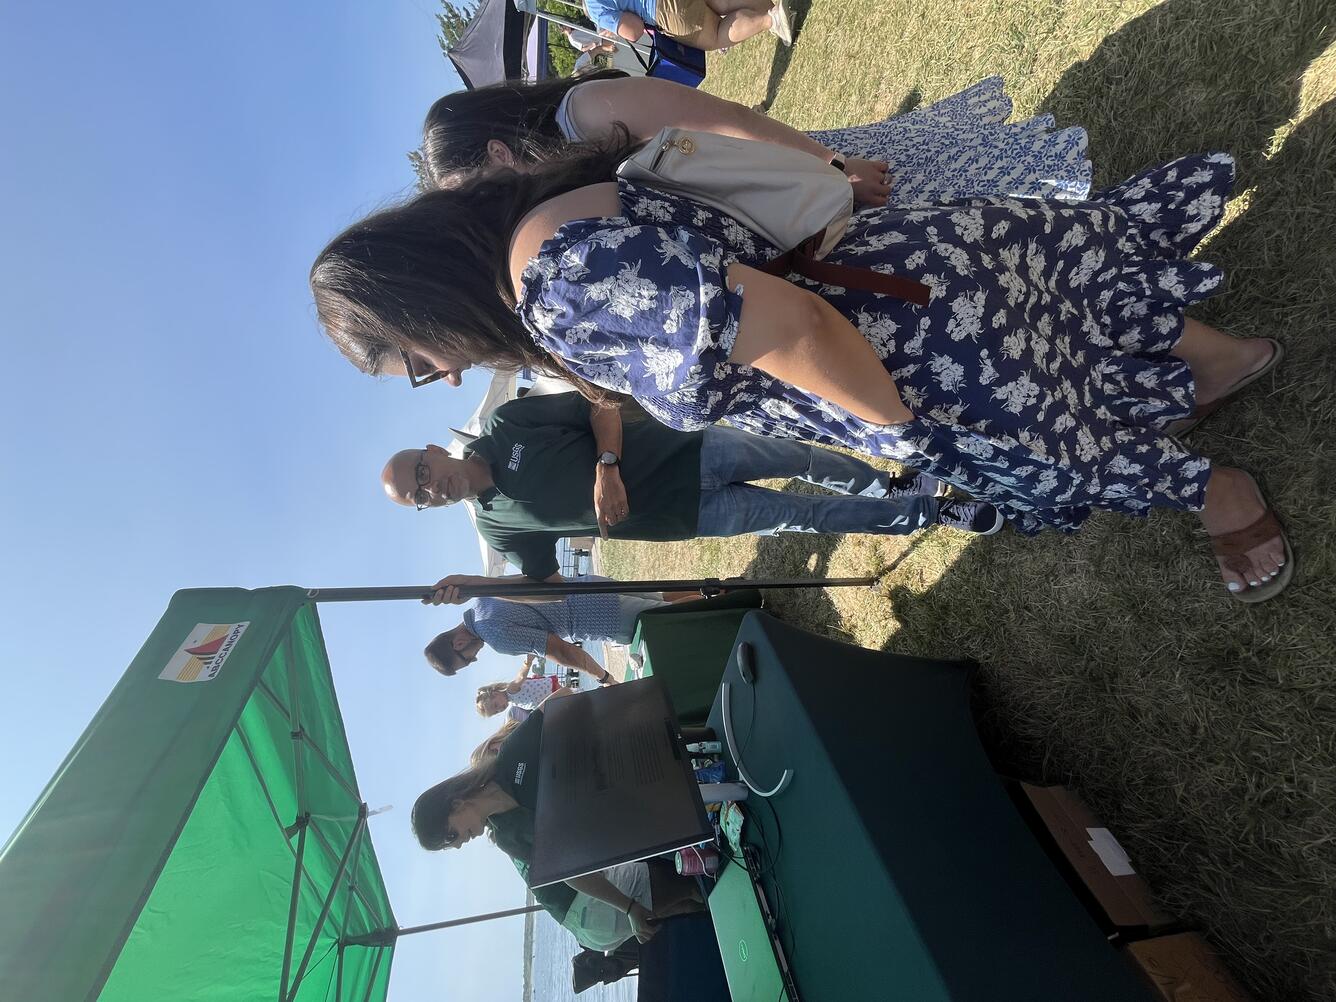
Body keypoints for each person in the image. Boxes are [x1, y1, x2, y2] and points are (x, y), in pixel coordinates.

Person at [311, 146, 1290, 603]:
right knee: (1073, 304)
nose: (439, 378)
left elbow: (791, 328)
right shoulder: (543, 221)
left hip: (899, 346)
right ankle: (1229, 364)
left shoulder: (557, 285)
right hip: (909, 275)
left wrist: (899, 427)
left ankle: (1215, 488)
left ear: (424, 309)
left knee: (1059, 446)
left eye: (413, 361)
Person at [377, 392, 1002, 589]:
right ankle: (933, 511)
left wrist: (608, 466)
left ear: (433, 453)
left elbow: (599, 406)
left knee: (804, 458)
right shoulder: (495, 527)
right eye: (421, 498)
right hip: (689, 514)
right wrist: (478, 584)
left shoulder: (506, 423)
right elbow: (546, 586)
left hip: (688, 448)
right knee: (805, 517)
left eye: (423, 475)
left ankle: (893, 483)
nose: (432, 489)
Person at [414, 707, 706, 948]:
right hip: (617, 855)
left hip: (635, 793)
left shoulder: (512, 757)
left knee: (693, 890)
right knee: (695, 884)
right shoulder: (506, 837)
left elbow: (565, 703)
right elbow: (568, 872)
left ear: (454, 804)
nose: (457, 845)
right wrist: (628, 908)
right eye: (448, 846)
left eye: (449, 836)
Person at [425, 572, 697, 683]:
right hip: (590, 585)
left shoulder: (494, 635)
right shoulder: (484, 596)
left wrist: (603, 678)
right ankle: (721, 595)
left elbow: (561, 651)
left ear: (458, 644)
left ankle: (729, 605)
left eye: (466, 660)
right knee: (663, 600)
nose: (474, 659)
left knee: (672, 619)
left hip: (597, 616)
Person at [583, 0, 791, 52]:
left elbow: (634, 30)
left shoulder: (594, 7)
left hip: (663, 11)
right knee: (722, 3)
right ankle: (773, 8)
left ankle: (771, 19)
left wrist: (615, 30)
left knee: (717, 35)